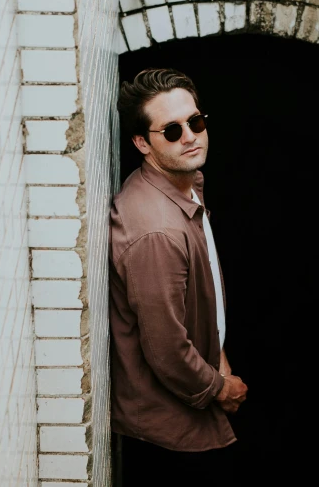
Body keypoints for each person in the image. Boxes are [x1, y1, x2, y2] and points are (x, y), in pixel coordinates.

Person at [109, 68, 248, 487]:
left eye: (195, 122)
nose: (189, 136)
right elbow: (165, 347)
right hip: (168, 434)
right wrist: (219, 389)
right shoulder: (158, 234)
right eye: (171, 130)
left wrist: (218, 356)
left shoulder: (183, 186)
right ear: (141, 143)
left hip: (192, 394)